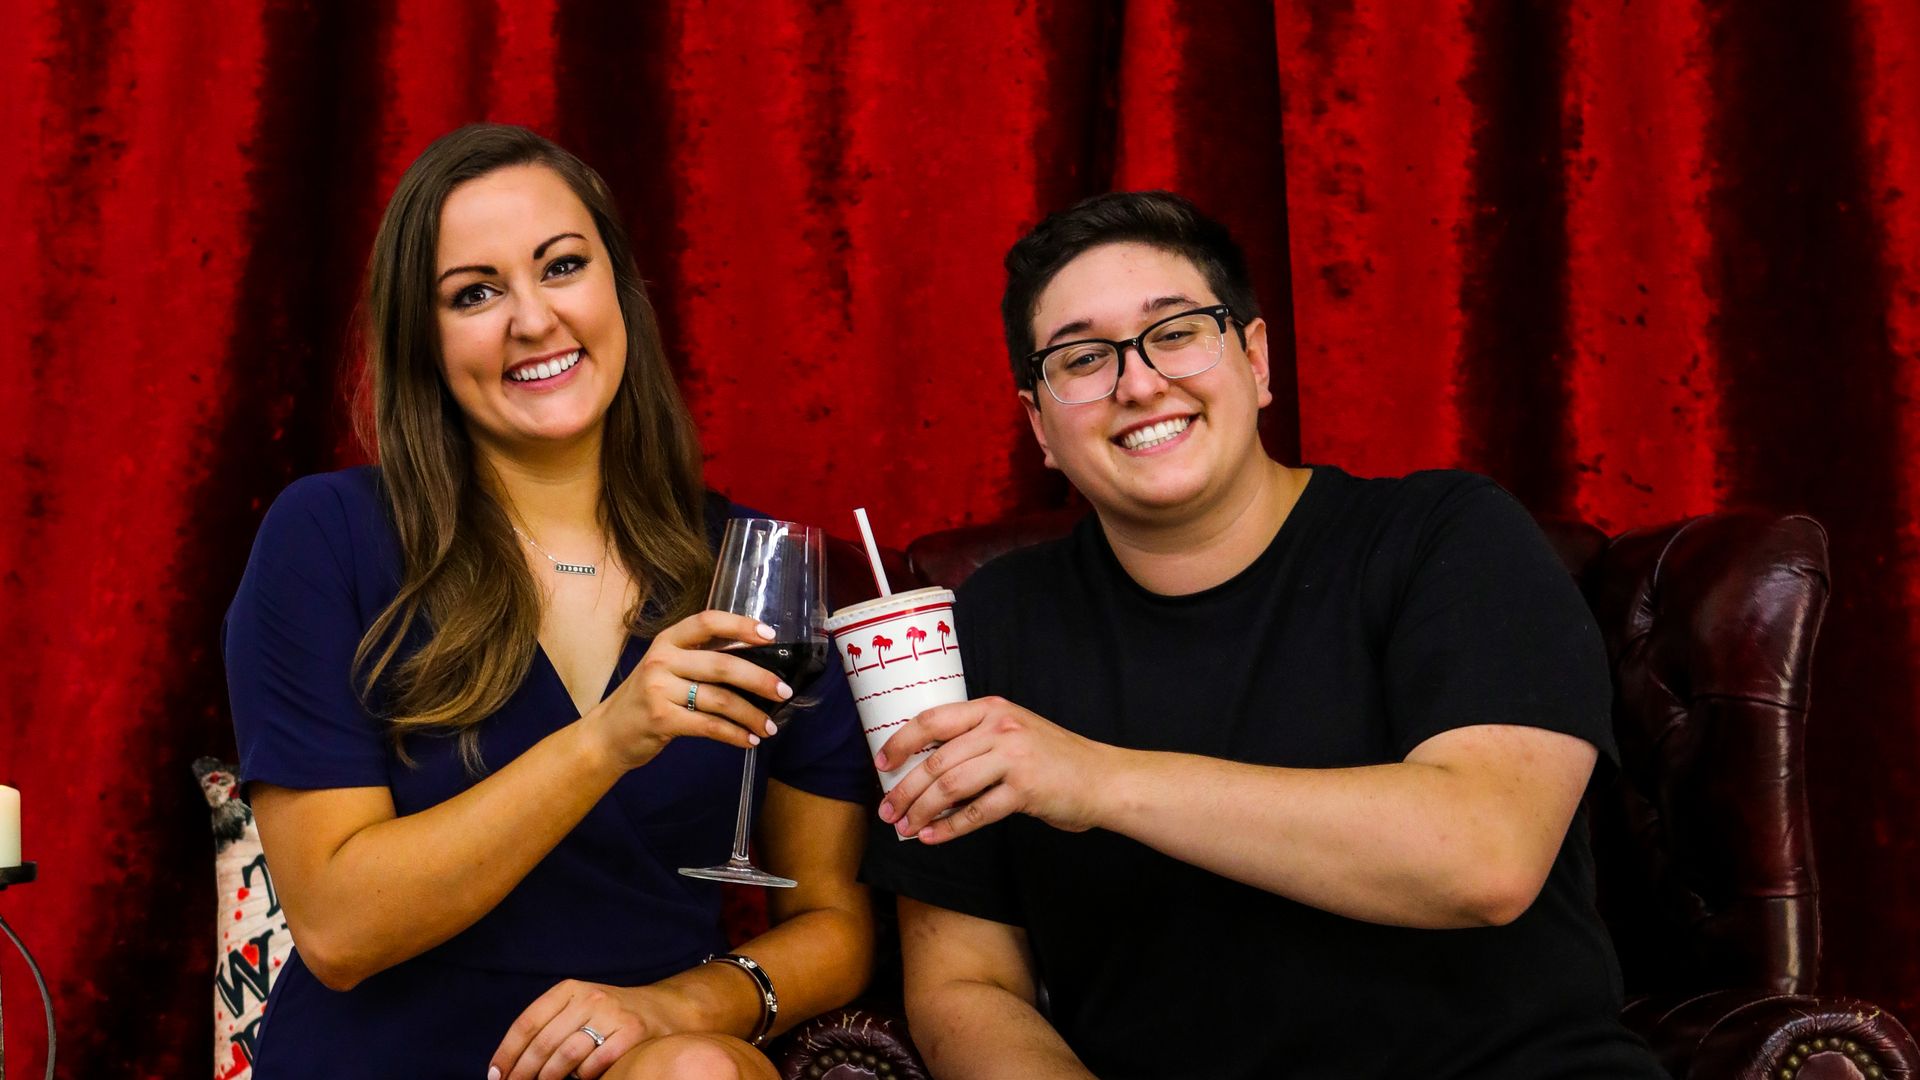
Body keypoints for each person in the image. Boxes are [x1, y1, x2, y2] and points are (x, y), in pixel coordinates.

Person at [861, 192, 1668, 1078]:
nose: (1137, 383)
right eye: (1083, 358)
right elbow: (963, 982)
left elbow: (1485, 856)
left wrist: (1096, 778)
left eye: (1175, 333)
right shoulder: (986, 623)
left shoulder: (1448, 535)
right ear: (1039, 428)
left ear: (1255, 360)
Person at [224, 124, 872, 1080]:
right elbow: (337, 927)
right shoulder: (328, 536)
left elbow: (833, 921)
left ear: (619, 290)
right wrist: (607, 740)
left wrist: (680, 1006)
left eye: (562, 266)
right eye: (474, 293)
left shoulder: (747, 564)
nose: (531, 319)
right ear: (423, 340)